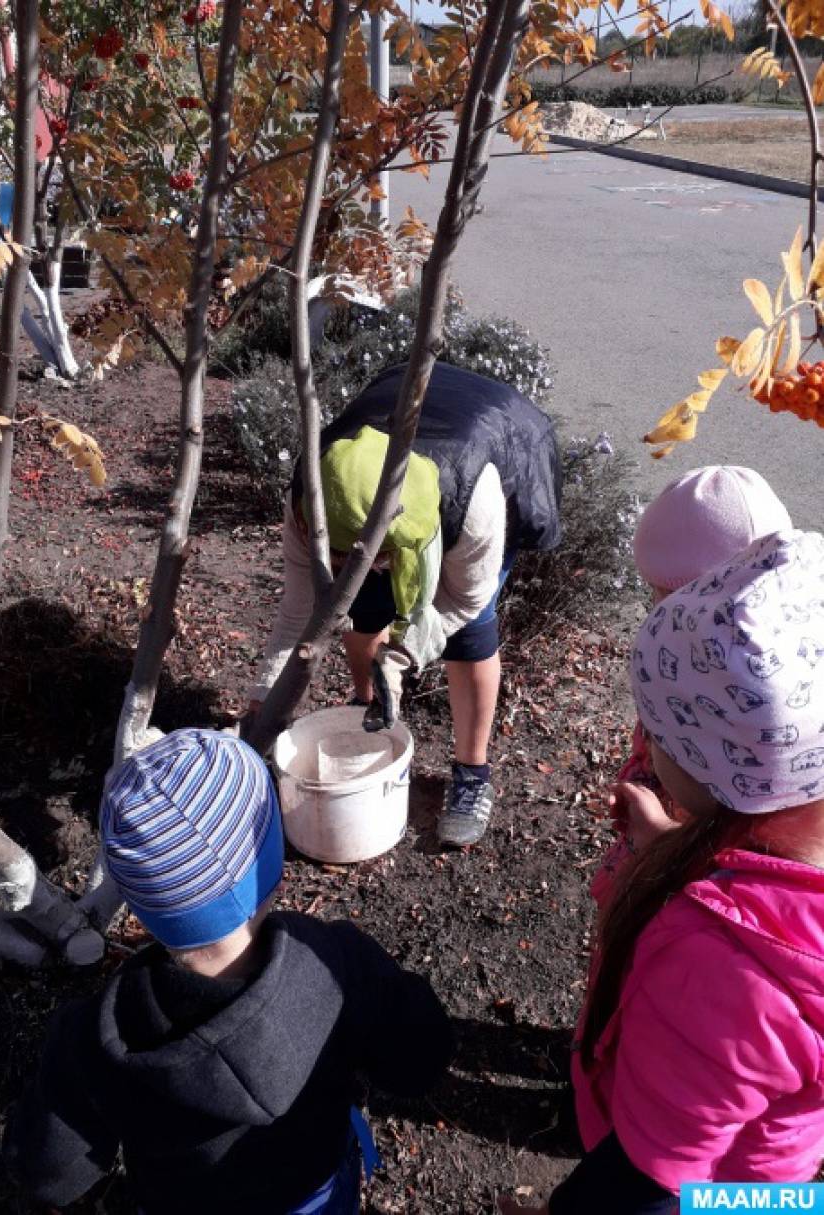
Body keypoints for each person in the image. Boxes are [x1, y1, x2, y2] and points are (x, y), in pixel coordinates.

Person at [2, 729, 453, 1214]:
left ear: (138, 898)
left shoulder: (95, 1037)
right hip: (316, 1192)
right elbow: (418, 1063)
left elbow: (49, 1175)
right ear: (268, 856)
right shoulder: (338, 963)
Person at [513, 529, 824, 1214]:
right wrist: (664, 847)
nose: (643, 743)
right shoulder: (787, 861)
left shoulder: (722, 969)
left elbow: (650, 1184)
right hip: (779, 1176)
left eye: (658, 729)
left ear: (722, 772)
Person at [249, 361, 562, 847]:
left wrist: (400, 657)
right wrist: (261, 708)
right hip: (400, 418)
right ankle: (365, 705)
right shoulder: (309, 498)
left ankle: (472, 773)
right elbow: (298, 613)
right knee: (356, 602)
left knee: (469, 635)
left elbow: (462, 600)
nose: (336, 560)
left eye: (379, 556)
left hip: (499, 438)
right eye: (330, 550)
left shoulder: (474, 507)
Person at [591, 465, 792, 905]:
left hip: (687, 885)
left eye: (667, 597)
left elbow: (749, 856)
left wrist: (666, 840)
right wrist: (643, 778)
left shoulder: (765, 714)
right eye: (655, 594)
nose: (657, 612)